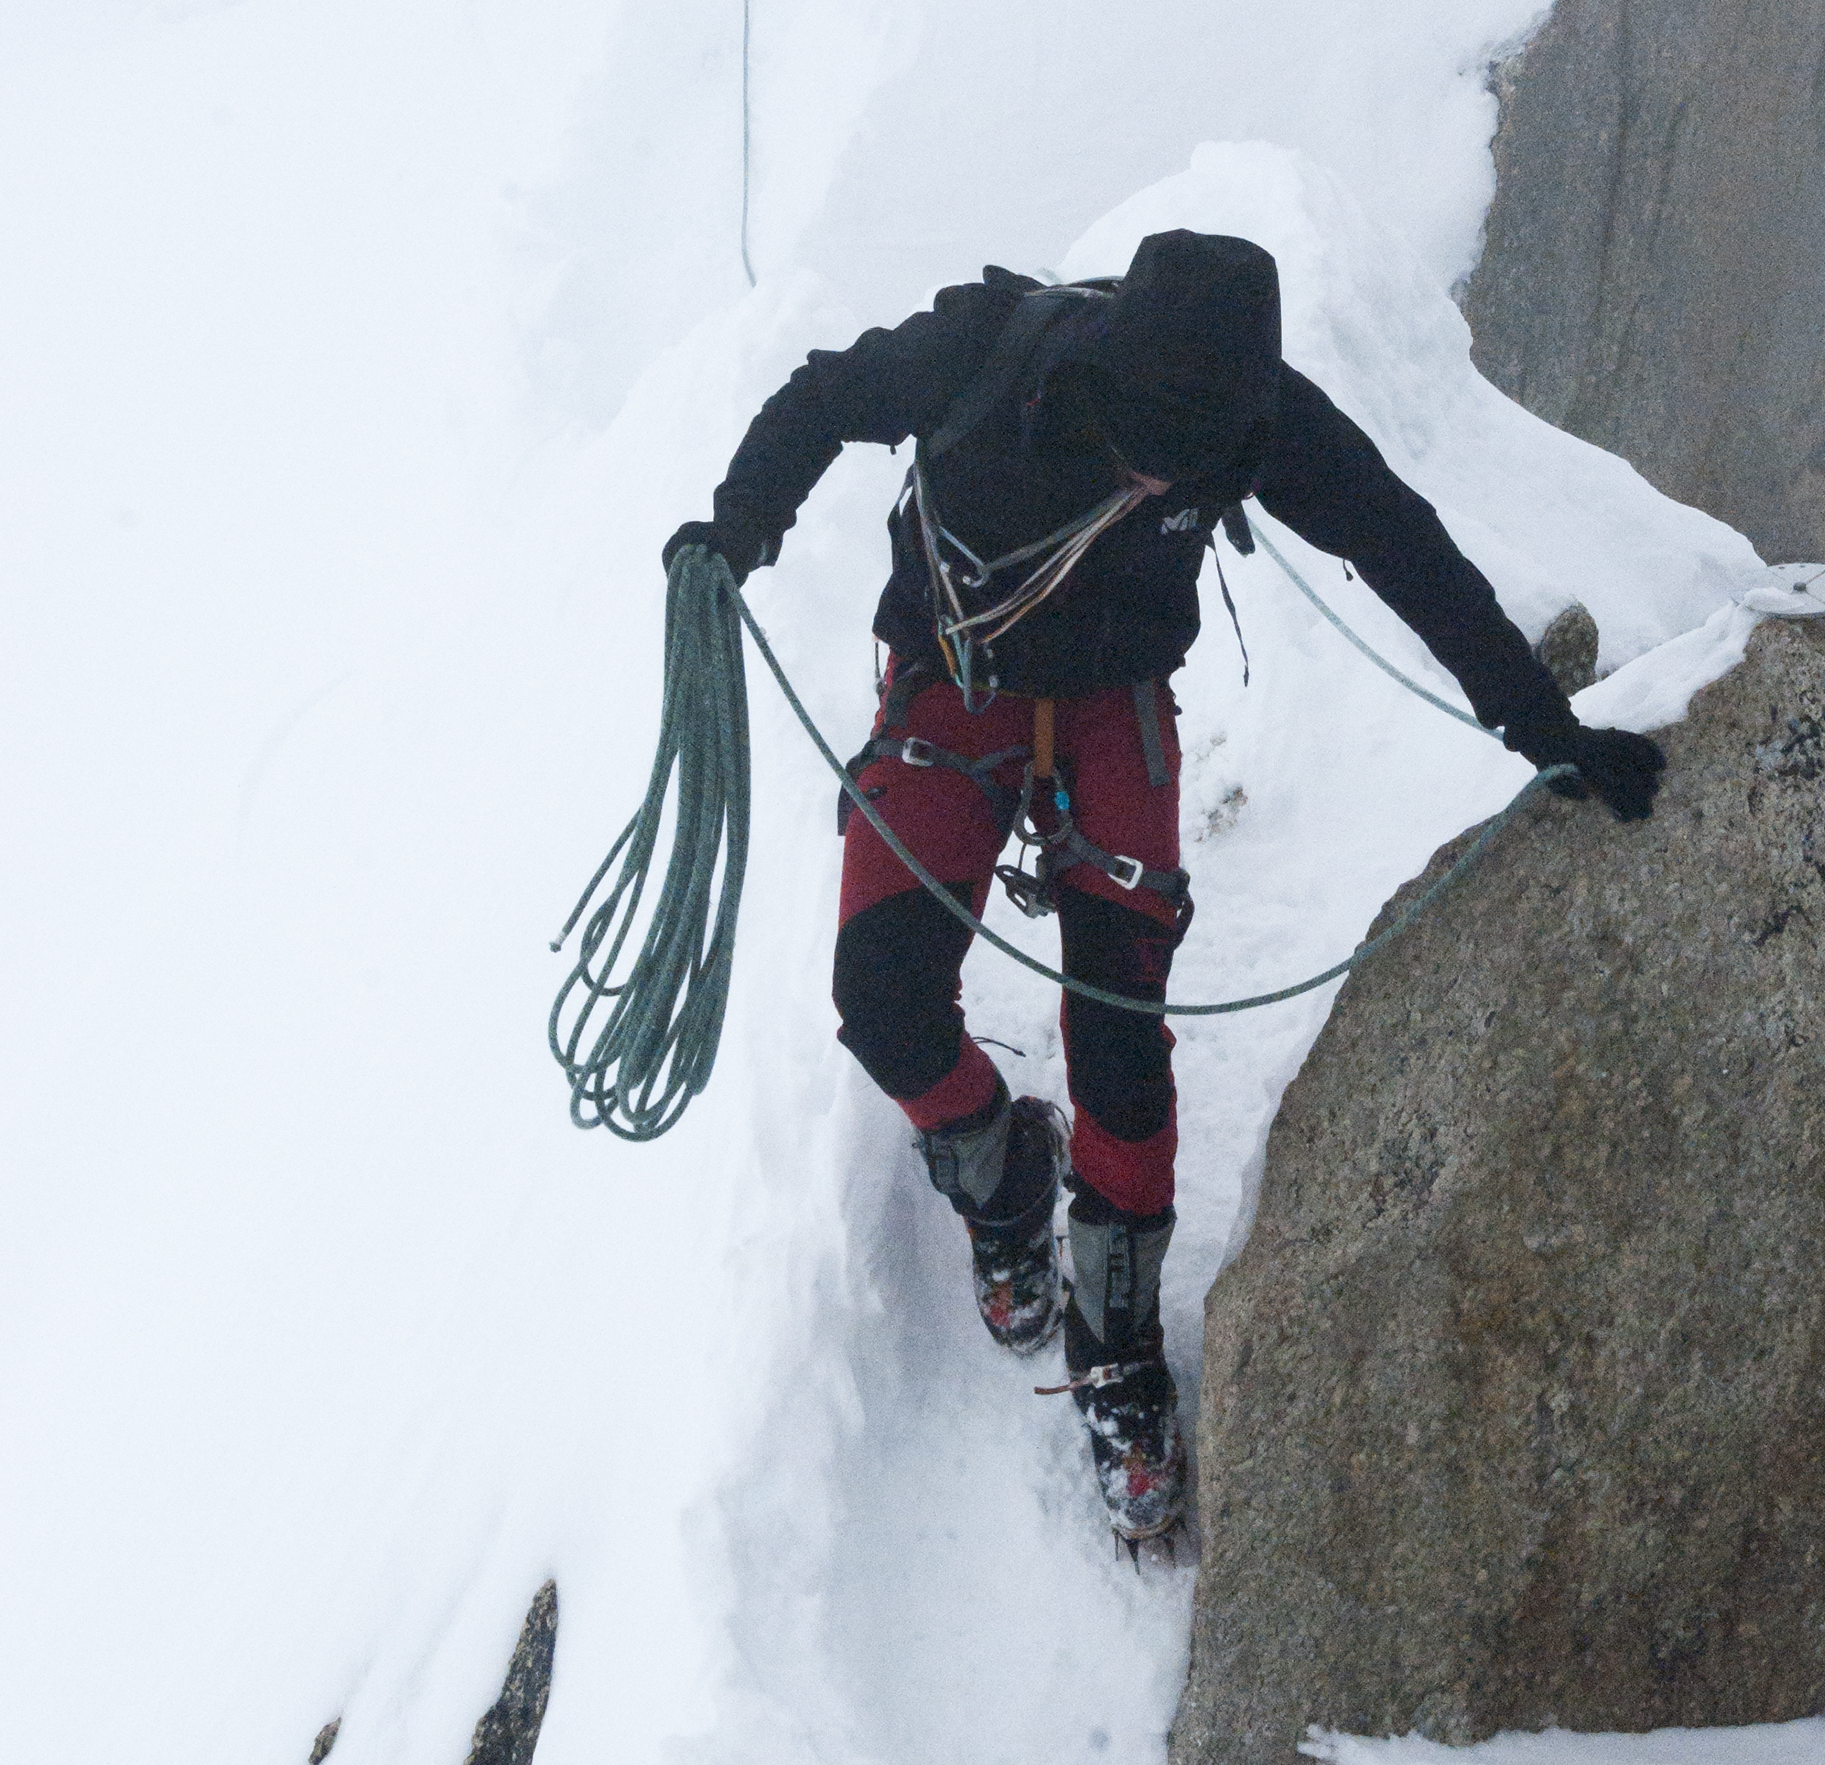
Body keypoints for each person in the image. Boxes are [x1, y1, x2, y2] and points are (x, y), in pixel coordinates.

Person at [665, 230, 1663, 1541]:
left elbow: (1402, 548)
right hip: (955, 680)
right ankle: (1003, 1174)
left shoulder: (1256, 420)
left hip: (1110, 702)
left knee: (1122, 1039)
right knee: (885, 1000)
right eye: (1142, 449)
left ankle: (1117, 1338)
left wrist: (1545, 727)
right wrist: (738, 527)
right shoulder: (982, 356)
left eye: (1180, 466)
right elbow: (822, 396)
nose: (1153, 478)